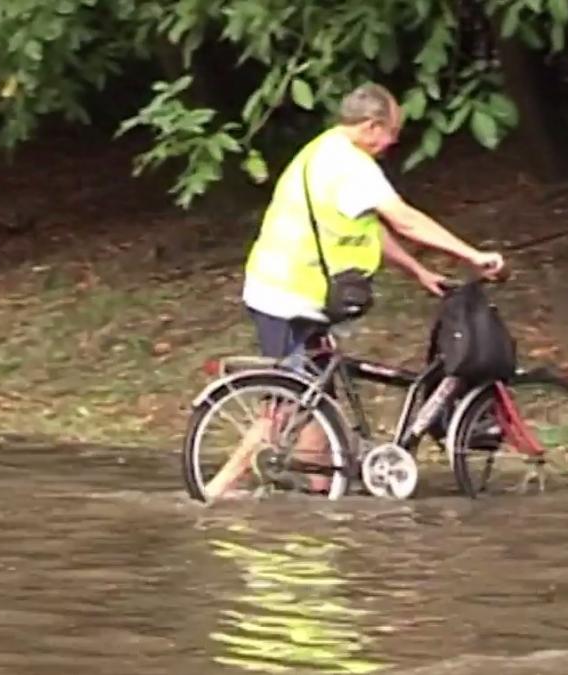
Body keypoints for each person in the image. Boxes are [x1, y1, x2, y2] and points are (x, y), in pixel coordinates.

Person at [203, 82, 506, 501]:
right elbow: (406, 221)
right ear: (371, 126)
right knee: (289, 400)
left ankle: (322, 495)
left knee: (314, 398)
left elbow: (369, 229)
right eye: (392, 132)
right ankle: (214, 493)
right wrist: (471, 254)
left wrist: (418, 271)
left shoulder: (323, 149)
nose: (394, 142)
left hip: (290, 289)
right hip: (286, 295)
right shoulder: (351, 166)